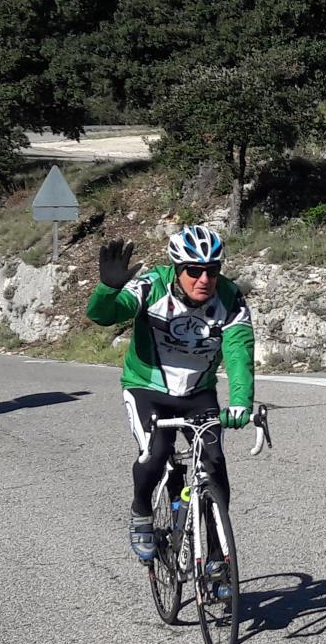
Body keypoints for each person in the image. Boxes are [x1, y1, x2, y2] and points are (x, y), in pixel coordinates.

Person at [85, 224, 254, 563]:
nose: (204, 279)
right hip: (147, 388)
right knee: (156, 453)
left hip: (197, 393)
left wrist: (240, 402)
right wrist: (107, 290)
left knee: (214, 467)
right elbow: (103, 315)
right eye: (194, 271)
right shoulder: (151, 287)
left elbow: (239, 353)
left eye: (212, 270)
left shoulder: (230, 299)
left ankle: (218, 560)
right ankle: (141, 512)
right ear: (177, 269)